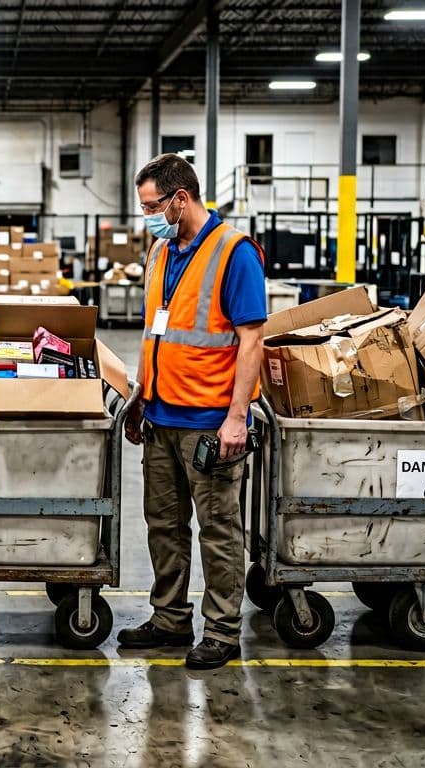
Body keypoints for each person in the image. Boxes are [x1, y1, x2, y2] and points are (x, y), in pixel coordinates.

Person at [116, 153, 267, 670]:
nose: (148, 217)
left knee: (219, 530)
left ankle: (223, 631)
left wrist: (237, 417)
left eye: (152, 206)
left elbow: (251, 341)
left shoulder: (234, 253)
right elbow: (156, 331)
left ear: (180, 199)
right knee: (163, 524)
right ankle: (169, 618)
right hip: (160, 418)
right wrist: (140, 397)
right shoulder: (161, 251)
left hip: (209, 424)